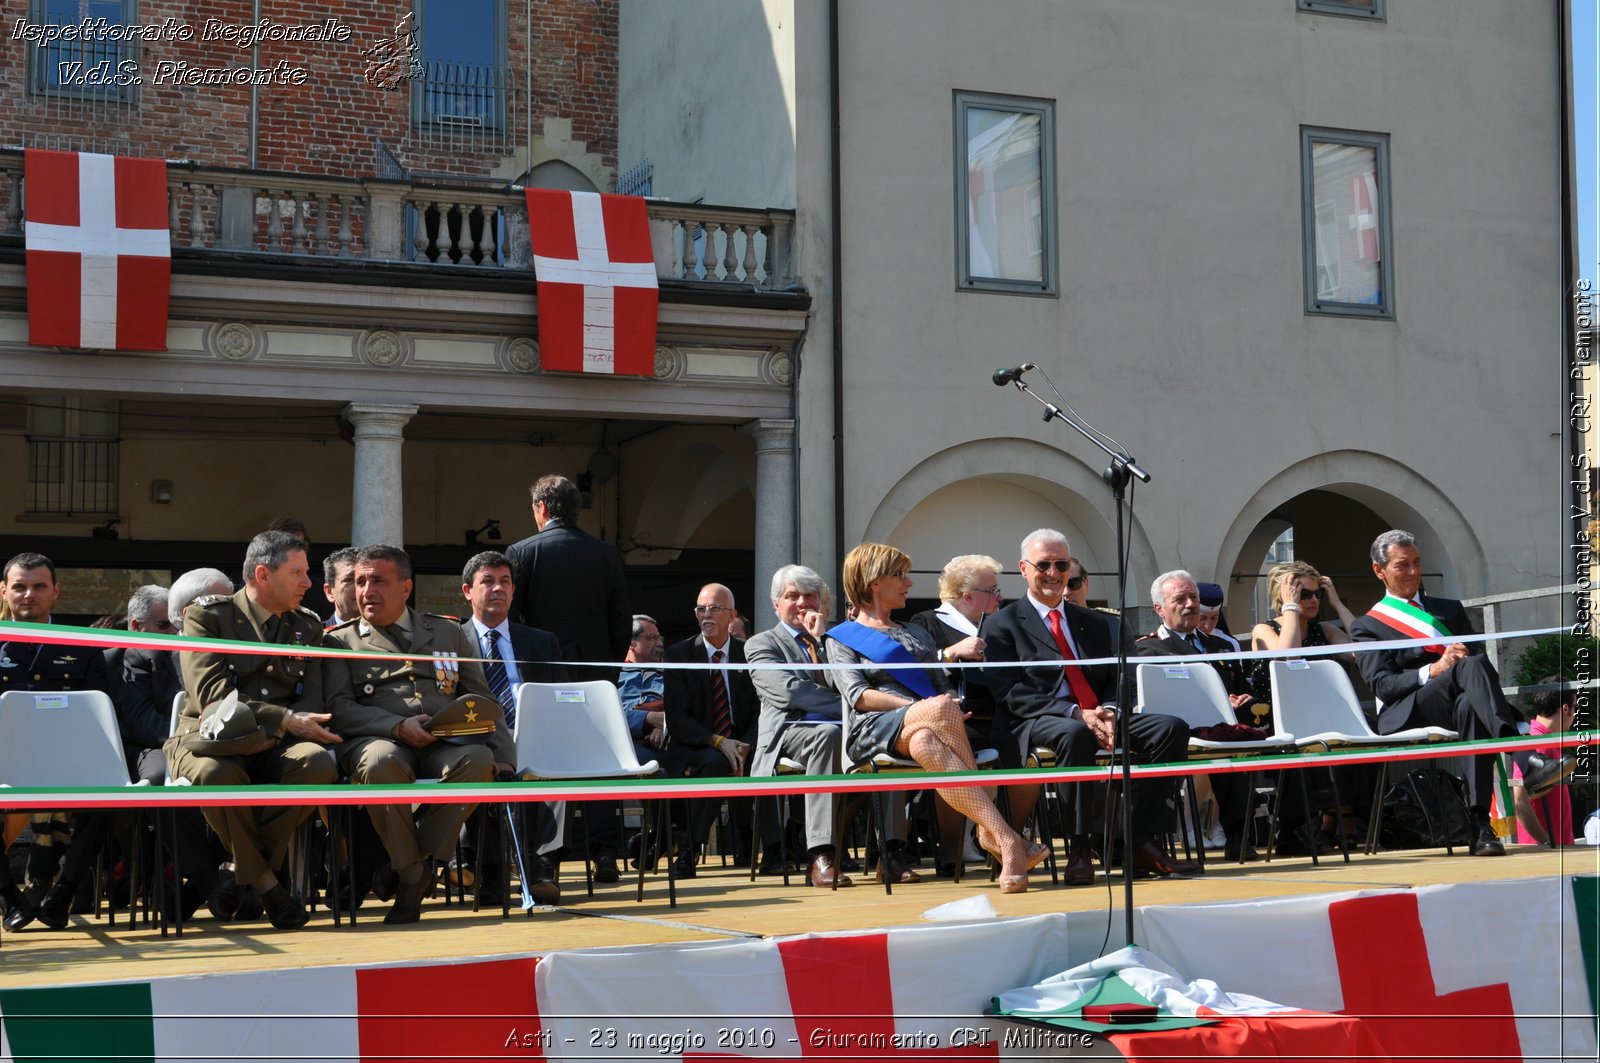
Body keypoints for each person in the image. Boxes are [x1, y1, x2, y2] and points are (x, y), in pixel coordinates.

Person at [828, 542, 1048, 893]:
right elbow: (859, 696)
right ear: (873, 583)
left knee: (927, 741)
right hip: (872, 731)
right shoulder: (842, 638)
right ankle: (1005, 837)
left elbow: (942, 687)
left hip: (923, 730)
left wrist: (943, 704)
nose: (909, 583)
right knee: (940, 711)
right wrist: (918, 706)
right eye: (899, 575)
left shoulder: (917, 634)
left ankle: (999, 839)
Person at [984, 529, 1195, 885]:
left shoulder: (1097, 622)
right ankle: (1079, 849)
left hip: (1099, 712)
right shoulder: (1001, 624)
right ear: (1023, 568)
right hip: (1037, 718)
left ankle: (1136, 839)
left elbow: (1120, 677)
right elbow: (1009, 692)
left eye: (1061, 565)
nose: (1053, 573)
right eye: (1044, 565)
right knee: (1077, 734)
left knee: (1170, 728)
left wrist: (1110, 709)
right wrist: (1076, 713)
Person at [1349, 529, 1574, 856]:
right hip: (1410, 709)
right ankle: (1525, 757)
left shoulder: (1448, 610)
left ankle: (1480, 826)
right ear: (1379, 570)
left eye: (1416, 563)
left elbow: (1483, 668)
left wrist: (1456, 667)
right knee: (1467, 667)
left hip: (1459, 702)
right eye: (1402, 566)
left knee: (1471, 702)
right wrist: (1435, 669)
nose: (1412, 572)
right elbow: (1382, 685)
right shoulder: (1367, 625)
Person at [322, 544, 507, 924]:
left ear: (405, 588)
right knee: (379, 763)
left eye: (378, 580)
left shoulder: (447, 631)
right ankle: (413, 879)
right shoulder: (340, 640)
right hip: (380, 740)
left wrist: (505, 755)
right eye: (359, 581)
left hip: (445, 741)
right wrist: (395, 726)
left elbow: (481, 697)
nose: (366, 591)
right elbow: (339, 708)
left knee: (479, 760)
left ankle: (412, 865)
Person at [167, 530, 340, 929]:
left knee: (316, 765)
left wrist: (279, 731)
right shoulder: (208, 616)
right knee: (217, 775)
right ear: (263, 574)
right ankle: (268, 887)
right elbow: (213, 695)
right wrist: (281, 719)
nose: (308, 583)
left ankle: (234, 871)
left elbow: (310, 703)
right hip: (207, 739)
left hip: (275, 743)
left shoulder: (307, 628)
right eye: (297, 572)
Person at [0, 553, 114, 931]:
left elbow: (99, 708)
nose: (28, 594)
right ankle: (8, 897)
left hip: (69, 757)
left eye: (38, 586)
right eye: (19, 586)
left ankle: (65, 890)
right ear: (4, 591)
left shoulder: (80, 644)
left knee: (107, 798)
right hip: (6, 759)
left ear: (55, 592)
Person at [457, 549, 567, 905]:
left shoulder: (541, 641)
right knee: (486, 767)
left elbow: (560, 699)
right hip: (478, 738)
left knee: (554, 762)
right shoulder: (450, 642)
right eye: (487, 581)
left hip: (534, 735)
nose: (498, 589)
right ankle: (492, 871)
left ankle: (540, 867)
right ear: (467, 591)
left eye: (505, 581)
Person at [1134, 570, 1257, 861]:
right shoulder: (1145, 649)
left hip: (1220, 728)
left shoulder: (1222, 646)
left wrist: (1243, 697)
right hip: (1177, 731)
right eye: (1180, 599)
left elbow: (1241, 688)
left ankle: (1240, 835)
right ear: (1159, 608)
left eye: (1194, 597)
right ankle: (1158, 841)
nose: (1190, 604)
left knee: (1238, 742)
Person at [746, 565, 853, 887]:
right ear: (776, 604)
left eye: (810, 596)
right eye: (792, 596)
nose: (803, 603)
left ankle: (892, 852)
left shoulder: (837, 641)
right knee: (827, 735)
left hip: (849, 729)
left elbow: (853, 682)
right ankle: (821, 854)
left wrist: (823, 643)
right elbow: (791, 692)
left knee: (892, 738)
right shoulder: (761, 644)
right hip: (789, 732)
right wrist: (853, 704)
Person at [907, 553, 1003, 874]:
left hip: (999, 715)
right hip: (955, 719)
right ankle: (955, 845)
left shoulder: (998, 625)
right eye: (992, 591)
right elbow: (915, 670)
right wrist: (950, 653)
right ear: (967, 596)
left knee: (1023, 742)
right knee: (962, 750)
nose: (999, 597)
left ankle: (1002, 836)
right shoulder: (927, 622)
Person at [663, 583, 759, 877]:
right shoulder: (679, 654)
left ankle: (770, 847)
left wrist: (745, 744)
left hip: (745, 741)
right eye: (700, 609)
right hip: (696, 743)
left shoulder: (750, 653)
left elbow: (761, 708)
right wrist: (719, 741)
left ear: (731, 615)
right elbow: (677, 718)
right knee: (717, 763)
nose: (706, 615)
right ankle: (691, 848)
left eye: (714, 608)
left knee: (759, 761)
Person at [506, 474, 630, 677]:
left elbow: (511, 617)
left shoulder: (522, 552)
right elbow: (621, 620)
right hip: (595, 668)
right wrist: (610, 665)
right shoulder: (606, 554)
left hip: (541, 666)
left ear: (542, 507)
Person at [1512, 678, 1576, 846]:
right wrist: (1547, 842)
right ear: (1565, 708)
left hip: (1550, 852)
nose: (1575, 715)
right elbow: (1520, 805)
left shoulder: (1541, 741)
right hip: (1545, 856)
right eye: (1574, 707)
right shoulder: (1537, 744)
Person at [322, 546, 360, 627]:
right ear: (329, 592)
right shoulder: (315, 636)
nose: (360, 587)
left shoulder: (390, 636)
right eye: (349, 580)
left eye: (363, 580)